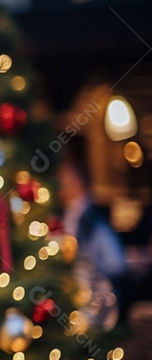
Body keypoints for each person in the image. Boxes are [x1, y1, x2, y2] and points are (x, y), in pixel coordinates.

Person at [58, 137, 126, 331]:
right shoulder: (67, 216)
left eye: (64, 180)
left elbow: (115, 262)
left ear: (78, 182)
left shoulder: (93, 219)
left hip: (95, 306)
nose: (59, 187)